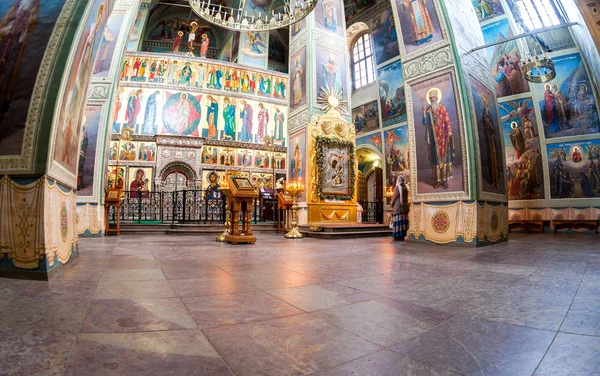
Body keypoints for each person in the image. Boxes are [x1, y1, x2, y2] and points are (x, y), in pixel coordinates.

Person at [422, 88, 454, 189]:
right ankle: (438, 180)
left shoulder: (442, 108)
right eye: (430, 98)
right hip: (434, 140)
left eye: (434, 97)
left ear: (437, 97)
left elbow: (447, 120)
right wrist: (423, 112)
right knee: (436, 159)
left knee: (444, 158)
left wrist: (449, 131)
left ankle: (445, 180)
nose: (432, 99)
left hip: (443, 138)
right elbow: (424, 122)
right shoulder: (428, 111)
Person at [391, 175, 409, 240]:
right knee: (403, 221)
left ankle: (398, 235)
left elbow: (394, 197)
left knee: (398, 221)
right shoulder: (406, 187)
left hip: (398, 207)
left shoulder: (397, 187)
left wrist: (391, 204)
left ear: (398, 180)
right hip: (405, 207)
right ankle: (403, 234)